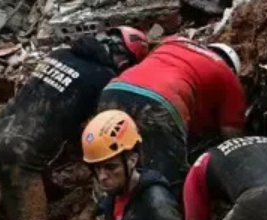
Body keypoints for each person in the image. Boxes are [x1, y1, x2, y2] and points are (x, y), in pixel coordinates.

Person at [0, 27, 150, 220]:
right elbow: (101, 130)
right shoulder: (105, 79)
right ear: (125, 61)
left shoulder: (60, 54)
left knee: (27, 164)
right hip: (19, 154)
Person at [98, 38, 246, 189]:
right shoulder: (227, 75)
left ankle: (108, 206)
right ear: (232, 68)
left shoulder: (173, 42)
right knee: (170, 179)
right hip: (158, 101)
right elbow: (232, 137)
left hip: (113, 91)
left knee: (110, 162)